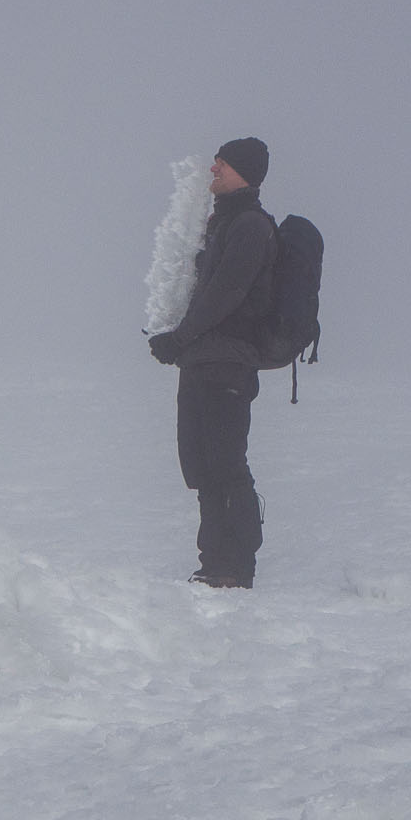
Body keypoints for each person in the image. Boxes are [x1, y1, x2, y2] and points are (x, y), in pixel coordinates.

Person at [147, 138, 276, 588]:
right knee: (201, 467)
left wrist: (179, 338)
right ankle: (214, 563)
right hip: (201, 360)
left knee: (225, 464)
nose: (213, 169)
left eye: (223, 164)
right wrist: (178, 343)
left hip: (228, 362)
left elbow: (227, 294)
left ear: (245, 171)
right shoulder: (221, 225)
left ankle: (236, 567)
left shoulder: (250, 227)